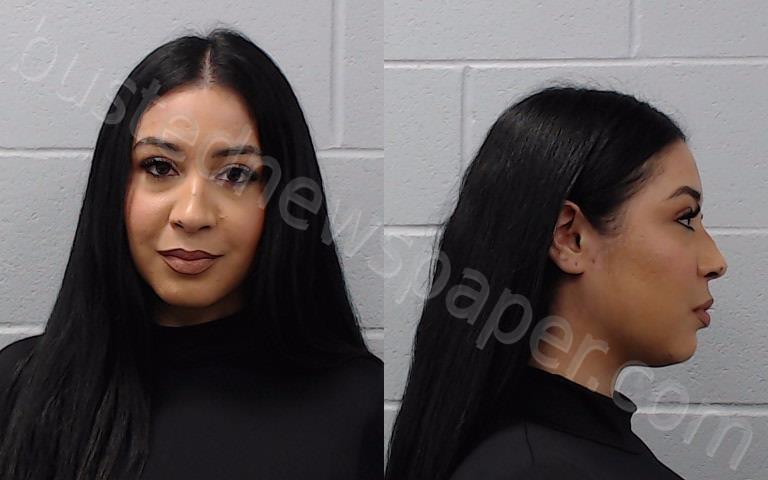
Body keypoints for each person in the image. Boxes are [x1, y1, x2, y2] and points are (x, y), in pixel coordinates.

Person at [0, 28, 382, 480]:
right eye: (159, 167)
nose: (192, 214)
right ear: (114, 184)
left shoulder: (362, 404)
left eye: (236, 174)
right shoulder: (20, 386)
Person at [385, 86, 727, 479]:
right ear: (570, 238)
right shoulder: (534, 468)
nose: (716, 262)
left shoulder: (558, 454)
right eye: (685, 218)